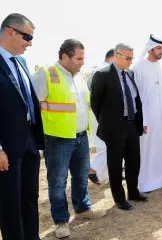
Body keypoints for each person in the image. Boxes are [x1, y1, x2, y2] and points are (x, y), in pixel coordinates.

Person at [33, 39, 106, 238]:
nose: (82, 62)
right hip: (58, 139)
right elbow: (30, 107)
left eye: (84, 58)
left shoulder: (79, 76)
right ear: (64, 56)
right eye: (78, 58)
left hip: (81, 137)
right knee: (57, 182)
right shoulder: (46, 75)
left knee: (81, 176)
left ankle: (83, 209)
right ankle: (61, 221)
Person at [0, 13, 44, 240]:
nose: (30, 43)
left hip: (28, 139)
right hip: (6, 146)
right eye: (27, 37)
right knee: (9, 203)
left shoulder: (22, 62)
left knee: (29, 196)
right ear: (10, 31)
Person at [91, 43, 148, 211]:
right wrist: (108, 124)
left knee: (134, 161)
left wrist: (138, 121)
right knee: (115, 164)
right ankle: (119, 198)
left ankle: (133, 192)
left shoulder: (129, 74)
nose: (131, 61)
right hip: (114, 128)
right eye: (128, 58)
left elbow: (136, 99)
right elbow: (96, 104)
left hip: (131, 124)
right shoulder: (102, 75)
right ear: (116, 56)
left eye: (132, 57)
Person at [133, 34, 162, 192]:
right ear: (150, 48)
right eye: (159, 48)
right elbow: (136, 96)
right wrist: (142, 119)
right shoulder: (139, 67)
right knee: (147, 151)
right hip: (147, 118)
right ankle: (147, 183)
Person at [88, 48, 114, 184]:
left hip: (97, 114)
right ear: (113, 57)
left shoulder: (98, 69)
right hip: (101, 115)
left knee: (104, 146)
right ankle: (93, 170)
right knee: (106, 146)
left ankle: (103, 174)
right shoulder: (103, 71)